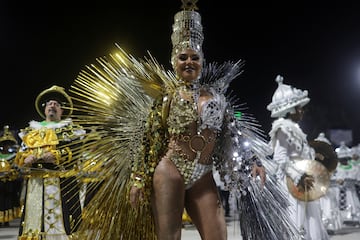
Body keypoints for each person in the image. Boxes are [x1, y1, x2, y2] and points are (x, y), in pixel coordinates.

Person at [64, 1, 299, 239]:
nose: (189, 62)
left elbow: (233, 134)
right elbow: (147, 141)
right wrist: (137, 180)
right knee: (169, 235)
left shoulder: (216, 97)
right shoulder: (166, 100)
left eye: (194, 57)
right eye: (183, 57)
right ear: (174, 61)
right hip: (170, 170)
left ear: (202, 61)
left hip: (203, 173)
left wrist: (251, 161)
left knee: (217, 235)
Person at [14, 85, 86, 239]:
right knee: (35, 224)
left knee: (63, 224)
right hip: (36, 183)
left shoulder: (71, 130)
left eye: (56, 104)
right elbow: (21, 152)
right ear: (44, 109)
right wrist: (25, 158)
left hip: (62, 181)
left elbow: (76, 150)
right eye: (49, 104)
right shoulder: (30, 132)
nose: (52, 106)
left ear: (62, 110)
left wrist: (58, 155)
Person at [267, 74, 330, 239]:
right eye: (299, 107)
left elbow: (300, 156)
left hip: (305, 183)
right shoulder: (282, 129)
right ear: (291, 110)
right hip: (293, 184)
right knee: (297, 223)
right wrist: (298, 177)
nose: (302, 110)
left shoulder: (296, 129)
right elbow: (280, 159)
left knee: (311, 222)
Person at [0, 125, 22, 227]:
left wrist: (12, 174)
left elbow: (17, 168)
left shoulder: (14, 156)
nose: (6, 147)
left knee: (8, 200)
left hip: (9, 182)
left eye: (8, 145)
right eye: (5, 145)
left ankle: (6, 220)